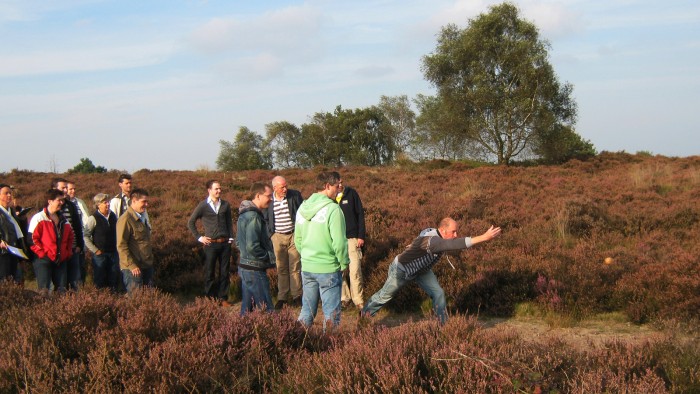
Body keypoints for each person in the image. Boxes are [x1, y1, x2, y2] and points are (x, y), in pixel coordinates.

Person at [361, 217, 501, 324]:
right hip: (401, 269)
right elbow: (453, 244)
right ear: (442, 230)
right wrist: (484, 237)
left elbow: (425, 234)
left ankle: (443, 325)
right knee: (384, 296)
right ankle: (364, 318)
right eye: (453, 232)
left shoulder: (434, 235)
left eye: (456, 231)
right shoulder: (433, 241)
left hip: (422, 271)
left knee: (438, 292)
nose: (455, 234)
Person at [295, 171, 349, 330]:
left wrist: (306, 255)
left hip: (307, 266)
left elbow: (297, 239)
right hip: (328, 268)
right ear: (327, 186)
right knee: (331, 314)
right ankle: (328, 349)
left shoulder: (302, 208)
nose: (339, 189)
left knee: (307, 310)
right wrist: (344, 263)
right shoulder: (333, 210)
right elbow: (339, 242)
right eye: (336, 186)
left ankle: (297, 341)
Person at [188, 180, 234, 306]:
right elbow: (191, 222)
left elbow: (229, 222)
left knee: (225, 272)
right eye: (216, 189)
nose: (219, 191)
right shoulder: (203, 206)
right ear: (209, 190)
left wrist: (231, 238)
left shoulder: (225, 205)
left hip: (225, 244)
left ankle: (223, 298)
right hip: (210, 245)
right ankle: (210, 299)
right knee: (210, 272)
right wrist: (199, 237)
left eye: (220, 188)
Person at [264, 175, 304, 309]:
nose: (285, 189)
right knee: (281, 268)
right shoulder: (269, 199)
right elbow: (266, 219)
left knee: (295, 267)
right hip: (277, 236)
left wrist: (300, 232)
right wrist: (271, 235)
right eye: (282, 187)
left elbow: (303, 213)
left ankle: (297, 296)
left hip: (293, 235)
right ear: (275, 188)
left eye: (286, 186)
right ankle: (282, 297)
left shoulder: (295, 195)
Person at [237, 183, 276, 315]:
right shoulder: (254, 216)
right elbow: (252, 246)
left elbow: (238, 242)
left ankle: (239, 335)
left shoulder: (244, 214)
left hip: (244, 267)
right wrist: (267, 256)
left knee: (247, 311)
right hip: (255, 270)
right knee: (267, 309)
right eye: (269, 196)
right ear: (258, 196)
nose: (271, 199)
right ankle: (278, 335)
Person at [27, 189, 75, 295]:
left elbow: (71, 238)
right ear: (50, 201)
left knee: (62, 290)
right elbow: (32, 240)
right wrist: (43, 255)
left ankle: (59, 311)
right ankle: (43, 311)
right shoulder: (39, 218)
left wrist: (67, 253)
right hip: (43, 261)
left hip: (61, 261)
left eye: (63, 200)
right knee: (43, 291)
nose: (62, 203)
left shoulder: (64, 220)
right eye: (59, 200)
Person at [335, 176, 366, 310]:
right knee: (339, 271)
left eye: (342, 182)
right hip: (335, 241)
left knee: (355, 271)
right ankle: (344, 298)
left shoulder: (352, 194)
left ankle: (358, 300)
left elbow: (360, 215)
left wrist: (361, 236)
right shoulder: (329, 198)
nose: (340, 185)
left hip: (352, 238)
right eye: (338, 183)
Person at [116, 188, 154, 295]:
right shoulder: (125, 219)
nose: (146, 205)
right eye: (143, 202)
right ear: (134, 201)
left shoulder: (142, 217)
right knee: (135, 300)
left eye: (147, 201)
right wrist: (132, 265)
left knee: (148, 299)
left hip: (146, 265)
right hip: (133, 268)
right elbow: (121, 245)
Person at [52, 178, 84, 290]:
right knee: (61, 281)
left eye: (66, 187)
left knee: (76, 280)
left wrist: (80, 244)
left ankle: (75, 304)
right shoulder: (51, 208)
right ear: (55, 189)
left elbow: (77, 226)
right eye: (63, 187)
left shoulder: (71, 205)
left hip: (73, 249)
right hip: (58, 251)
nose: (66, 190)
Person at [83, 193, 120, 291]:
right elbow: (86, 236)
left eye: (108, 202)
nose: (107, 204)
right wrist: (95, 250)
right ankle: (100, 299)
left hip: (113, 253)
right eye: (105, 202)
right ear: (98, 205)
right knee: (99, 279)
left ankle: (114, 298)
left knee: (113, 278)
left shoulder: (113, 216)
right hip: (100, 255)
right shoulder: (93, 218)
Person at [0, 184, 26, 283]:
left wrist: (23, 220)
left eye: (10, 193)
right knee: (4, 281)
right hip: (3, 253)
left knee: (16, 281)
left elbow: (19, 232)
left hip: (14, 252)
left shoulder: (12, 212)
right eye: (6, 193)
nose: (9, 195)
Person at [66, 180, 90, 284]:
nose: (73, 191)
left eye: (74, 189)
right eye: (70, 189)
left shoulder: (79, 202)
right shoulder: (64, 205)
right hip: (68, 241)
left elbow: (86, 219)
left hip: (79, 238)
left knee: (81, 267)